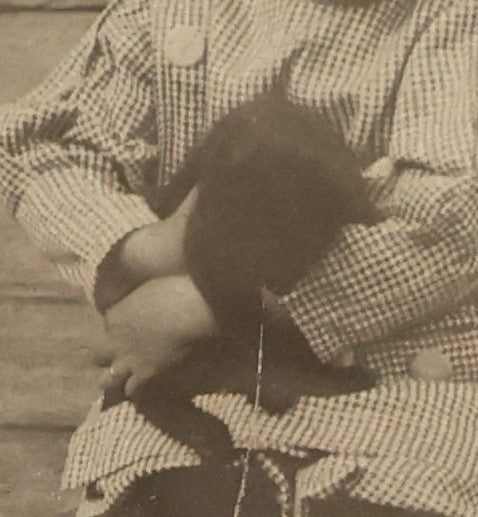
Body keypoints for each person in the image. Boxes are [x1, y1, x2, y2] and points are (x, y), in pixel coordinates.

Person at [1, 0, 478, 515]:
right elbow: (38, 141)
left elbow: (456, 217)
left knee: (392, 493)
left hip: (394, 387)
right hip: (183, 373)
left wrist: (206, 301)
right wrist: (140, 252)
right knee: (169, 488)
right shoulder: (169, 11)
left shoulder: (450, 18)